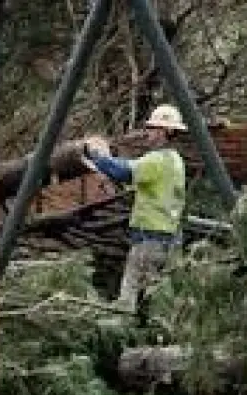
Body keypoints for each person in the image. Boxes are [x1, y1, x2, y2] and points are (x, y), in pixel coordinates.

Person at [81, 104, 188, 321]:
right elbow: (138, 177)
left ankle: (122, 335)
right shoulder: (175, 161)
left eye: (154, 128)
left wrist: (97, 155)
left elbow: (122, 171)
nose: (148, 132)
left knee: (129, 296)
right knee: (159, 298)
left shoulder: (157, 161)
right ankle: (156, 338)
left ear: (165, 132)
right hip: (170, 237)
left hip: (150, 238)